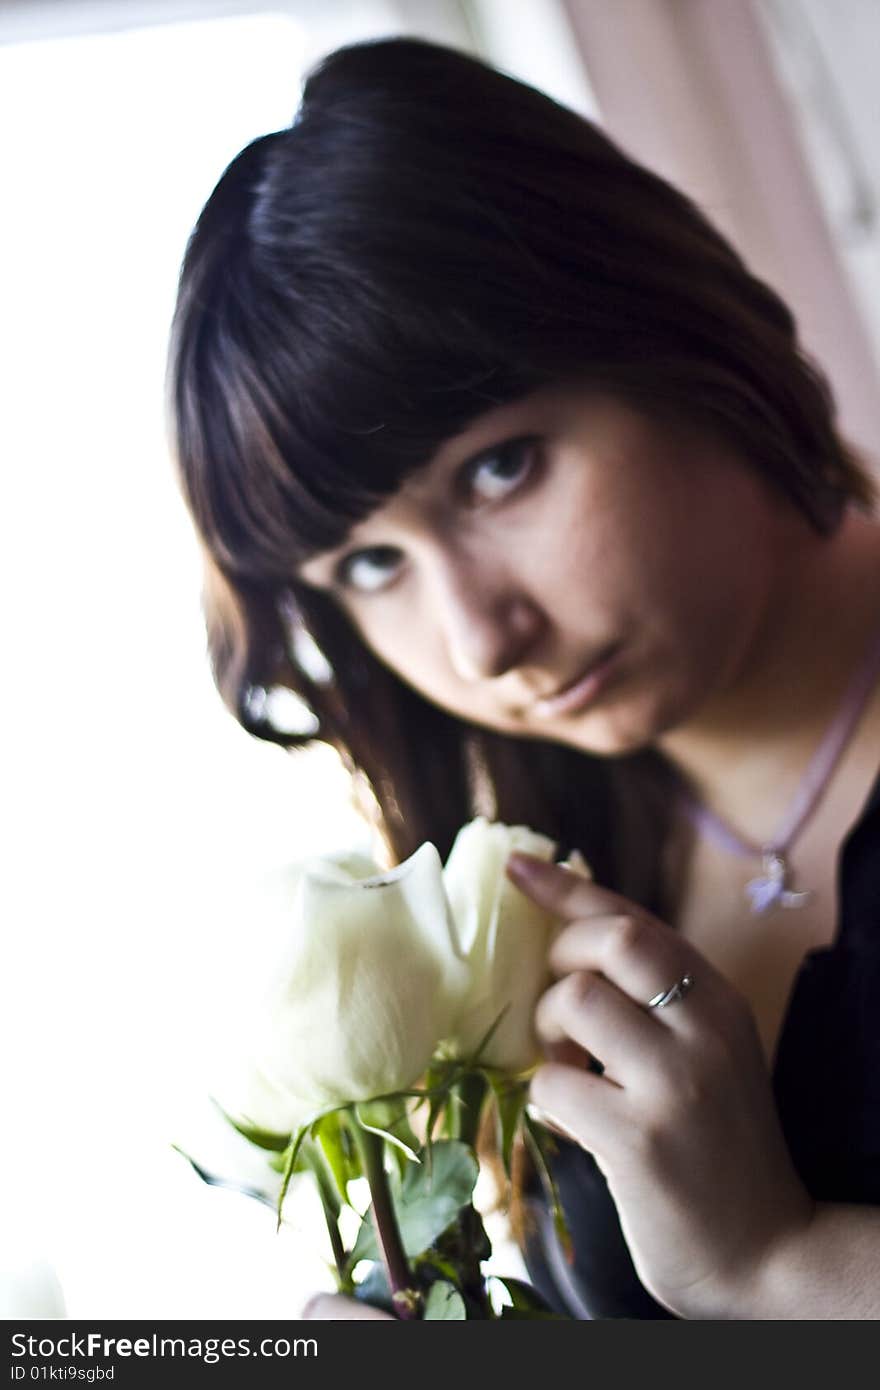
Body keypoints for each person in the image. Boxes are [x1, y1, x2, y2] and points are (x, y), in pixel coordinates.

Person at [166, 36, 880, 1319]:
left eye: (500, 469)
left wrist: (775, 1270)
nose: (482, 640)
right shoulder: (536, 876)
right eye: (369, 564)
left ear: (670, 329)